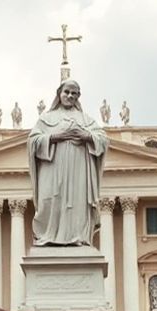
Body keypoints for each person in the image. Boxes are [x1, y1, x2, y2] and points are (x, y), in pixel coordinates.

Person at [28, 79, 109, 246]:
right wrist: (56, 137)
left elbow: (103, 139)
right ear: (59, 94)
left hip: (78, 170)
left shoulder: (86, 120)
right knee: (48, 200)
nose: (70, 96)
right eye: (67, 92)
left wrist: (86, 135)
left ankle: (77, 235)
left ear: (78, 96)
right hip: (52, 169)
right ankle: (48, 235)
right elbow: (32, 142)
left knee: (77, 204)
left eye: (74, 93)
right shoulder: (46, 119)